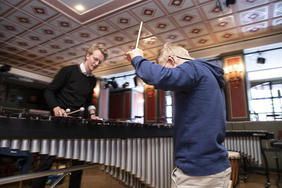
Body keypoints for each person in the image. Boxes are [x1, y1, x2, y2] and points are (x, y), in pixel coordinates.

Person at [126, 43, 231, 188]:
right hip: (217, 167)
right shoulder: (208, 75)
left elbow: (160, 77)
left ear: (172, 60)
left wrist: (137, 58)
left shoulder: (192, 68)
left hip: (197, 172)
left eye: (165, 67)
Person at [31, 44, 108, 188]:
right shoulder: (68, 71)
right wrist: (56, 107)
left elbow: (88, 101)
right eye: (95, 59)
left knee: (77, 165)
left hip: (76, 125)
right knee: (45, 164)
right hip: (57, 123)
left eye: (99, 62)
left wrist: (92, 114)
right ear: (87, 55)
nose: (96, 64)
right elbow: (49, 91)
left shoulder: (92, 80)